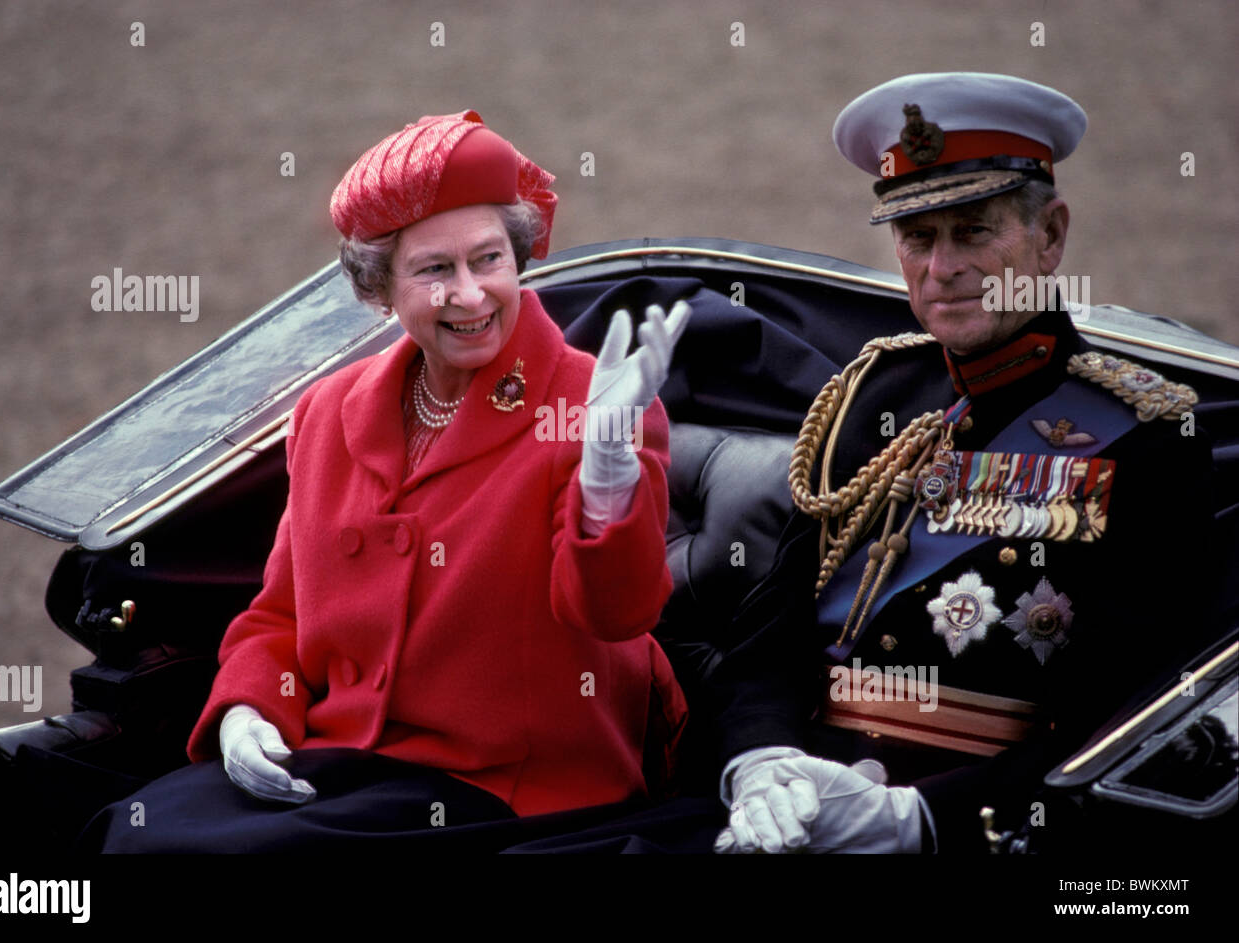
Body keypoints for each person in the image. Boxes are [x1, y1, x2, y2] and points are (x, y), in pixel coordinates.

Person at [84, 110, 692, 851]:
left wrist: (607, 475)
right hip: (341, 758)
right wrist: (250, 708)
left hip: (508, 783)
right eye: (435, 270)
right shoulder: (328, 412)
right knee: (126, 831)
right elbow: (282, 616)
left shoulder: (591, 404)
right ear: (381, 289)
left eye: (489, 259)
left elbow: (616, 611)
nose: (469, 294)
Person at [708, 73, 1217, 853]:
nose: (942, 267)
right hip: (797, 801)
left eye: (973, 231)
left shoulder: (1143, 437)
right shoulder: (873, 394)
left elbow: (1129, 727)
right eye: (917, 238)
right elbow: (766, 643)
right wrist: (761, 761)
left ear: (1050, 235)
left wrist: (918, 822)